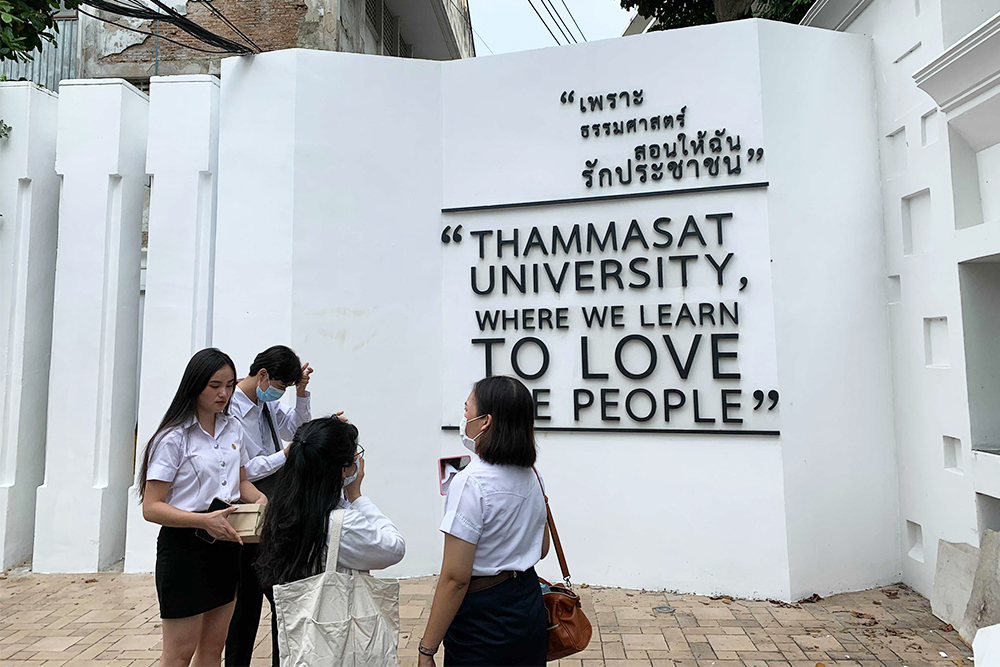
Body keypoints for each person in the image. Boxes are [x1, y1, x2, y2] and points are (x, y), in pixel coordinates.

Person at [138, 347, 267, 667]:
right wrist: (202, 520)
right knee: (179, 654)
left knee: (213, 649)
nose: (224, 393)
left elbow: (241, 484)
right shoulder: (172, 437)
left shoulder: (232, 428)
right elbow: (152, 507)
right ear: (194, 385)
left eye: (229, 385)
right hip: (185, 550)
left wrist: (263, 502)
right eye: (214, 385)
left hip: (226, 545)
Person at [419, 376, 551, 667]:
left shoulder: (470, 483)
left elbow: (455, 579)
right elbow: (542, 548)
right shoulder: (532, 475)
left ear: (485, 421)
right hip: (528, 601)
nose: (463, 417)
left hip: (483, 614)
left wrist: (426, 648)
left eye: (467, 410)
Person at [225, 345, 320, 667]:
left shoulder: (261, 403)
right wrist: (285, 456)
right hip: (246, 508)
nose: (279, 394)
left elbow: (292, 429)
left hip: (272, 505)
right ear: (263, 375)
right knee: (247, 604)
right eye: (280, 387)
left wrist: (302, 394)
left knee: (280, 598)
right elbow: (241, 470)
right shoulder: (231, 409)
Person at [255, 415, 405, 596]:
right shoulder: (343, 523)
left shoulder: (281, 507)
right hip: (334, 618)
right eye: (356, 456)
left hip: (293, 615)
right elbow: (394, 548)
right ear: (343, 469)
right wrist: (356, 496)